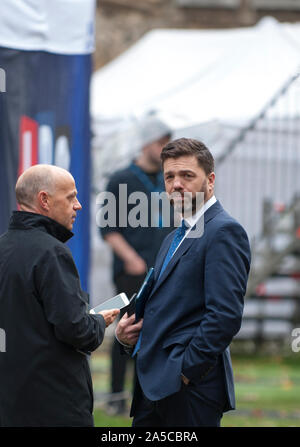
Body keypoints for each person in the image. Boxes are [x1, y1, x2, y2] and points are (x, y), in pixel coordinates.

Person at [116, 137, 251, 426]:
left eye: (187, 176)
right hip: (151, 389)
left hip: (190, 391)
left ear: (210, 181)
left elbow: (224, 316)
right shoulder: (172, 237)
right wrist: (128, 338)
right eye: (169, 176)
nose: (176, 184)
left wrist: (184, 373)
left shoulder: (224, 231)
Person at [0, 164, 119, 427]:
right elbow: (77, 331)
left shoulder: (3, 247)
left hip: (10, 403)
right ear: (44, 200)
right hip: (54, 404)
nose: (78, 205)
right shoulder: (51, 252)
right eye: (71, 197)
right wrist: (99, 321)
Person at [100, 116, 173, 415]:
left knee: (157, 333)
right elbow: (107, 228)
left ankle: (147, 395)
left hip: (161, 268)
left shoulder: (168, 178)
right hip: (130, 270)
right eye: (161, 142)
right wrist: (130, 258)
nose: (165, 148)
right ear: (146, 143)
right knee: (126, 329)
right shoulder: (121, 179)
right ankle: (117, 397)